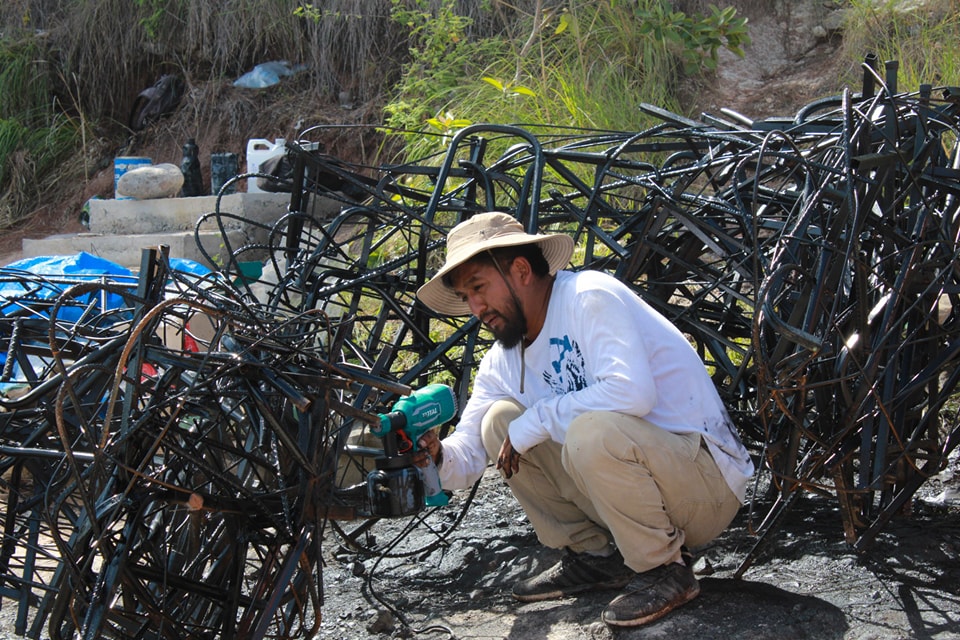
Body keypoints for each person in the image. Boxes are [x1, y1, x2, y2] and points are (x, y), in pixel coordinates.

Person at [414, 211, 754, 627]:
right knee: (498, 422)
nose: (475, 308)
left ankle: (664, 569)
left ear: (521, 270)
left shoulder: (588, 296)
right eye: (466, 296)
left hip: (705, 488)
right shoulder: (503, 360)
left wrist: (538, 420)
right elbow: (469, 453)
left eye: (479, 287)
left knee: (588, 431)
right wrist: (435, 455)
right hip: (636, 491)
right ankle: (597, 556)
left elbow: (632, 393)